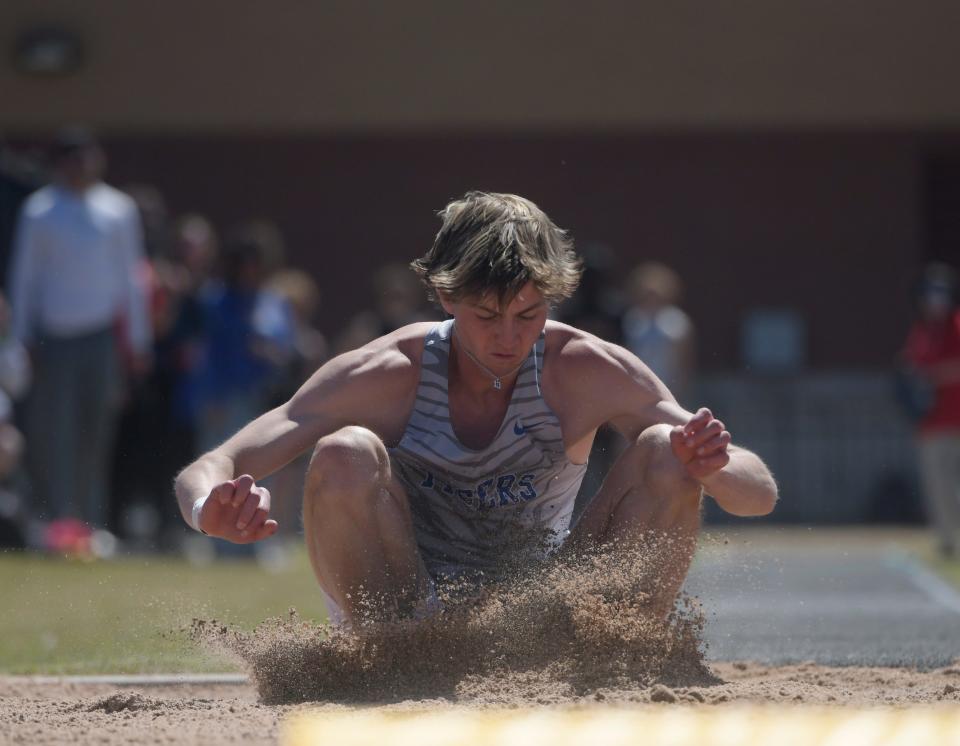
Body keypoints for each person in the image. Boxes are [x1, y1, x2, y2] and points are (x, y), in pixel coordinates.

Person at [174, 192, 778, 625]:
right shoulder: (389, 372)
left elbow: (761, 494)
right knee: (343, 451)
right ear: (444, 297)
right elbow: (216, 462)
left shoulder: (585, 368)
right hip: (406, 604)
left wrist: (714, 466)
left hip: (547, 604)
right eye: (487, 316)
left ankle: (622, 653)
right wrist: (210, 510)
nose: (509, 339)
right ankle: (384, 661)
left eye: (529, 315)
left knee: (665, 453)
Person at [8, 128, 151, 529]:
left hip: (101, 337)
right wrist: (20, 339)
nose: (80, 166)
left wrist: (137, 341)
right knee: (55, 433)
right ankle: (57, 521)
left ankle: (90, 523)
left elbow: (131, 279)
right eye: (72, 158)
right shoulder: (40, 210)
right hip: (53, 337)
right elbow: (26, 277)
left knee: (96, 432)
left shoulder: (118, 209)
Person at [901, 263, 960, 557]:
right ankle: (947, 541)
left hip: (956, 418)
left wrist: (933, 374)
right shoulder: (923, 331)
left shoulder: (957, 326)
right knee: (939, 486)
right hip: (931, 423)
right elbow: (912, 367)